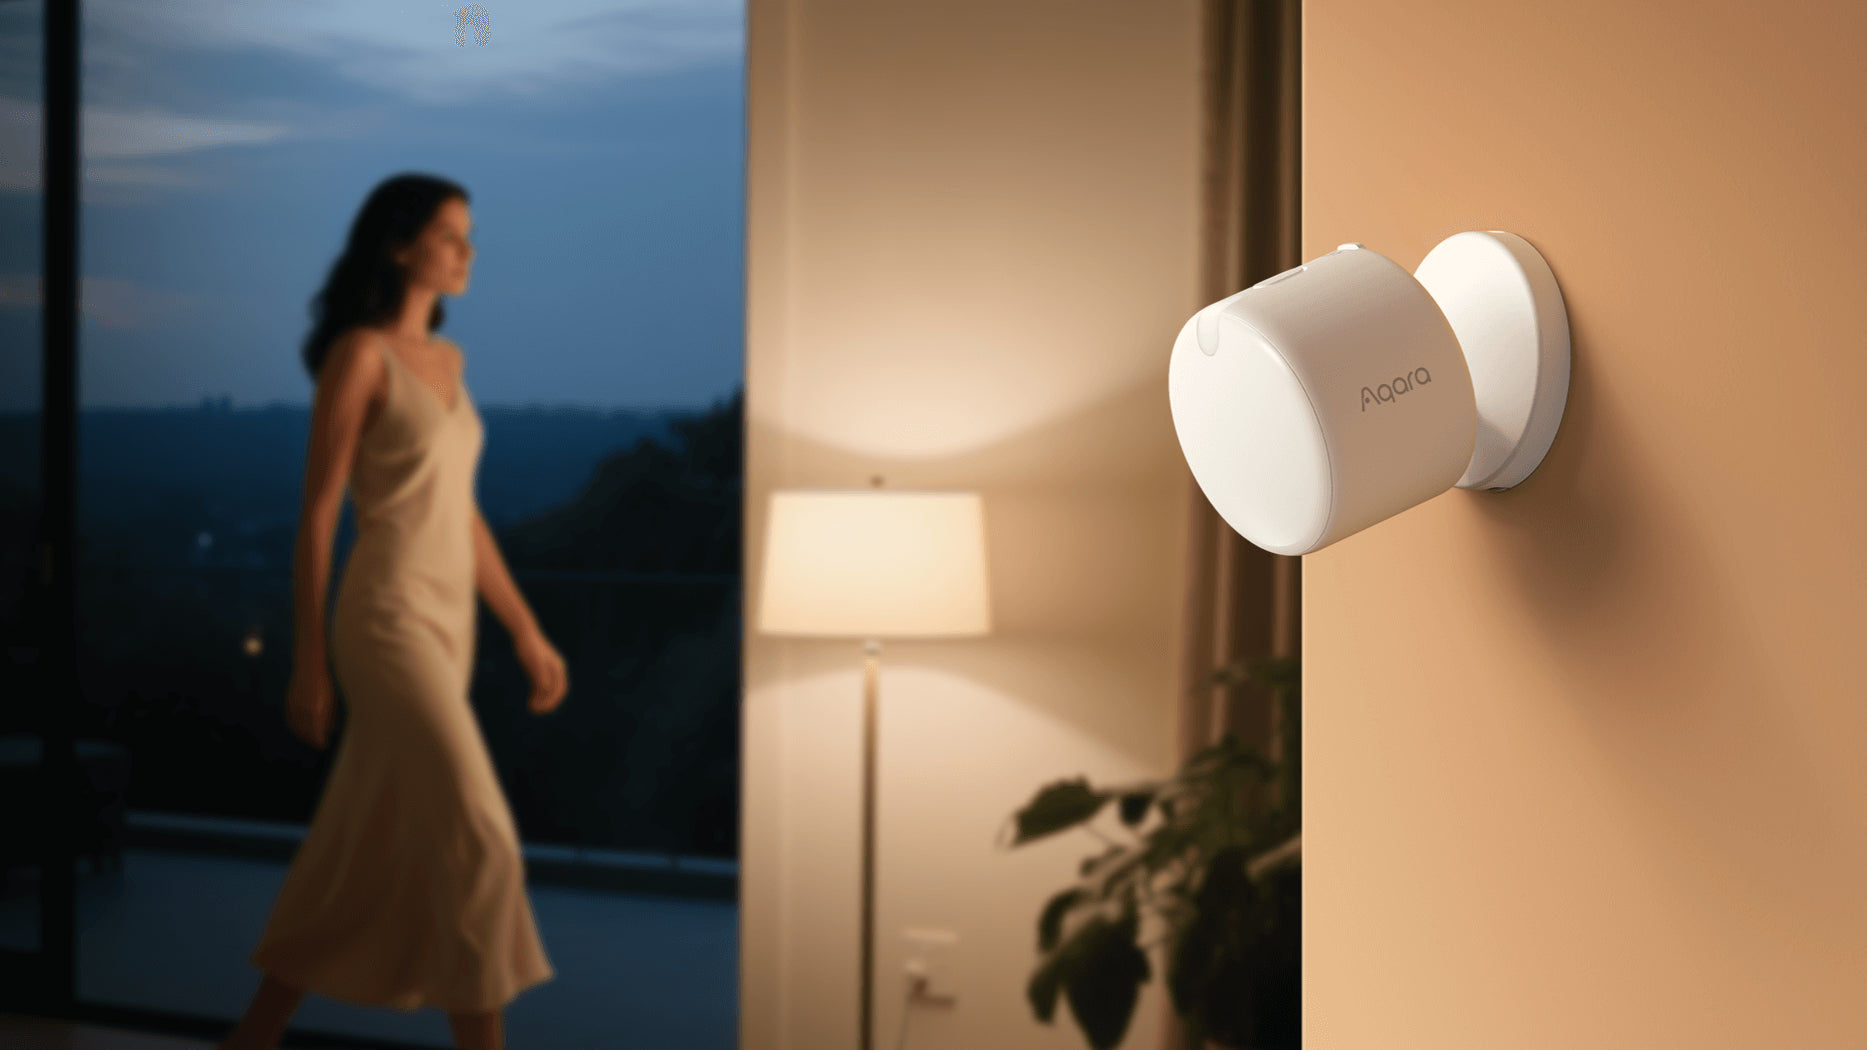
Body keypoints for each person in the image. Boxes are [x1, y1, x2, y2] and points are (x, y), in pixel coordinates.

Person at [217, 174, 568, 1050]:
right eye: (450, 234)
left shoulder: (450, 362)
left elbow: (463, 514)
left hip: (453, 623)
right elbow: (318, 513)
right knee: (480, 837)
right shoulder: (360, 355)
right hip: (386, 617)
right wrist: (309, 660)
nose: (468, 250)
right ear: (399, 246)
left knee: (362, 845)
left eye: (469, 234)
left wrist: (525, 628)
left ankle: (252, 1038)